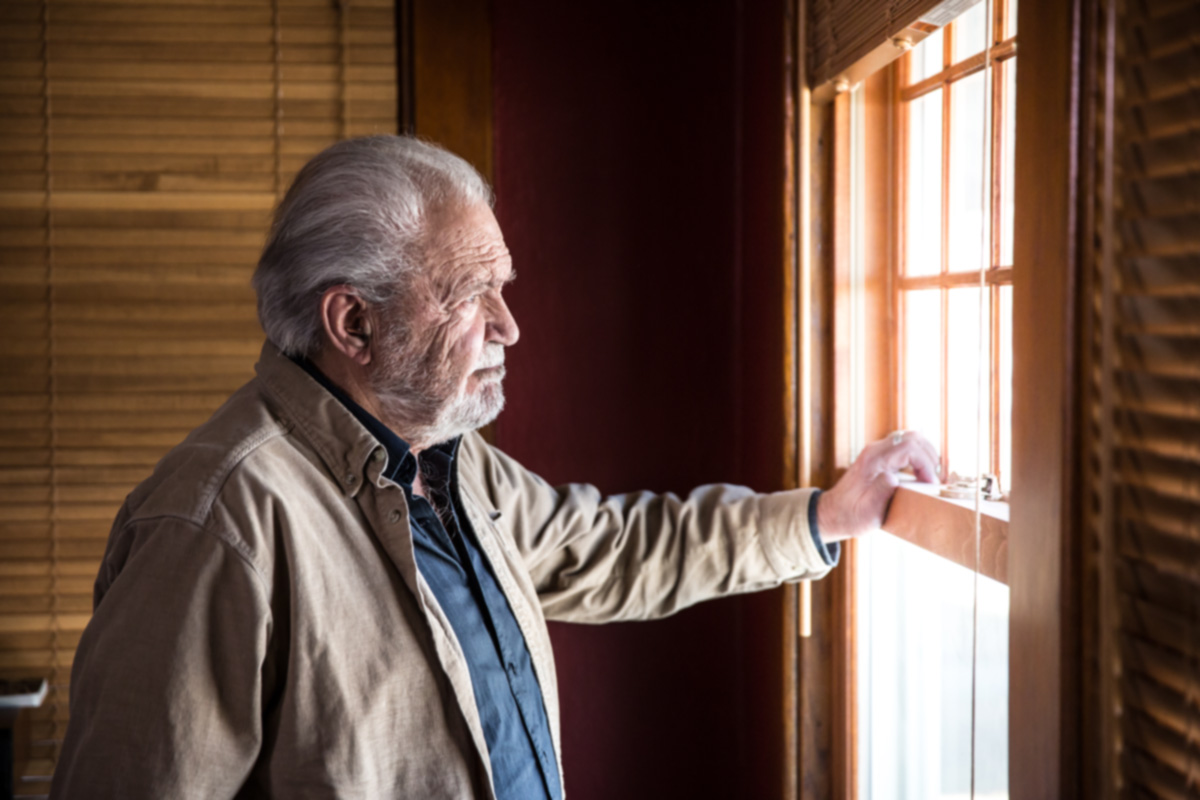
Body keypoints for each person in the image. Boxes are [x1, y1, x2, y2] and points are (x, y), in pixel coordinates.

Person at [50, 135, 938, 799]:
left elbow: (612, 549)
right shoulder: (216, 520)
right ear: (352, 325)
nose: (510, 327)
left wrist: (828, 516)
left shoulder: (448, 459)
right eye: (471, 296)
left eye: (502, 288)